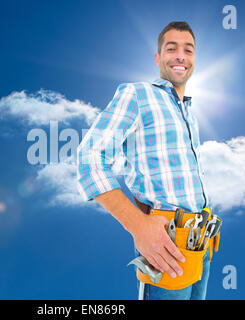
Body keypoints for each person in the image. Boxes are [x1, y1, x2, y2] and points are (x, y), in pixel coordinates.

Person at [76, 21, 211, 300]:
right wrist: (137, 225)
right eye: (171, 48)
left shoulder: (190, 115)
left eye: (188, 50)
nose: (180, 56)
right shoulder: (137, 94)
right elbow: (90, 156)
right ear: (158, 58)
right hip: (166, 246)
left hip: (200, 244)